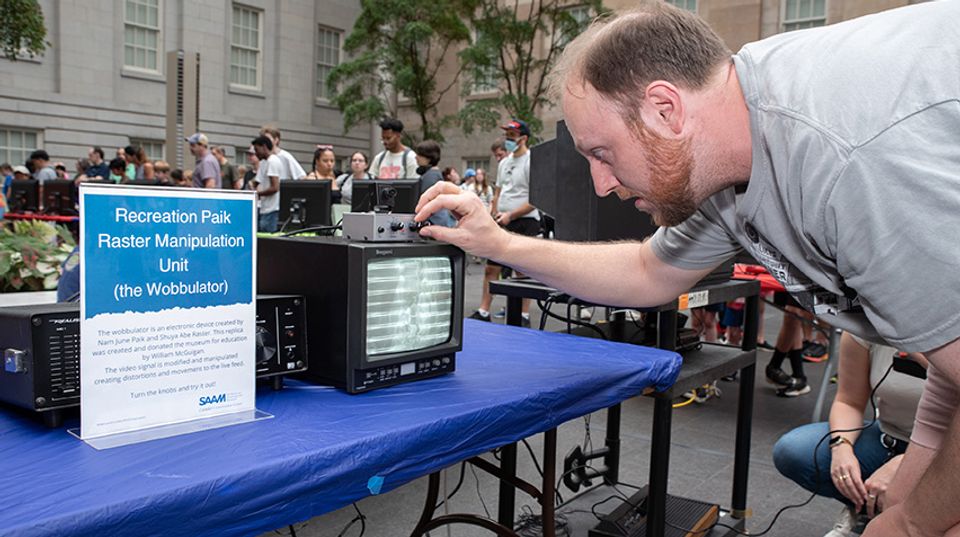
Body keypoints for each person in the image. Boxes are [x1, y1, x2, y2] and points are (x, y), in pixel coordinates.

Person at [414, 4, 960, 535]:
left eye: (602, 152)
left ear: (664, 109)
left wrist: (912, 521)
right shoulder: (733, 142)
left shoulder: (843, 161)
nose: (602, 183)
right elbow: (650, 270)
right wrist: (496, 242)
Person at [774, 333, 925, 536]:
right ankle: (867, 509)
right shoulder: (865, 323)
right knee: (793, 449)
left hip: (946, 453)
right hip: (889, 436)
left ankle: (909, 516)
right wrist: (841, 448)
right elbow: (849, 401)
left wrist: (908, 464)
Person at [467, 118, 539, 327]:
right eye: (506, 135)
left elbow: (535, 199)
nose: (508, 139)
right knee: (491, 268)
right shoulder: (505, 162)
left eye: (512, 135)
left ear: (523, 138)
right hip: (503, 220)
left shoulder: (531, 161)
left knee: (522, 270)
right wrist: (494, 212)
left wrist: (512, 215)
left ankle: (523, 315)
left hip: (525, 221)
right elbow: (498, 191)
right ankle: (483, 310)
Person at [412, 140, 454, 227]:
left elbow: (423, 202)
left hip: (433, 223)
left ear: (428, 157)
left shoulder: (430, 176)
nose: (416, 157)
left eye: (419, 155)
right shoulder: (434, 174)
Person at [251, 135, 282, 232]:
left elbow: (275, 187)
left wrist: (257, 194)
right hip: (265, 208)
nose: (256, 154)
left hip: (272, 210)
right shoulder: (265, 162)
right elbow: (258, 181)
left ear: (264, 147)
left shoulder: (273, 161)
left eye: (257, 150)